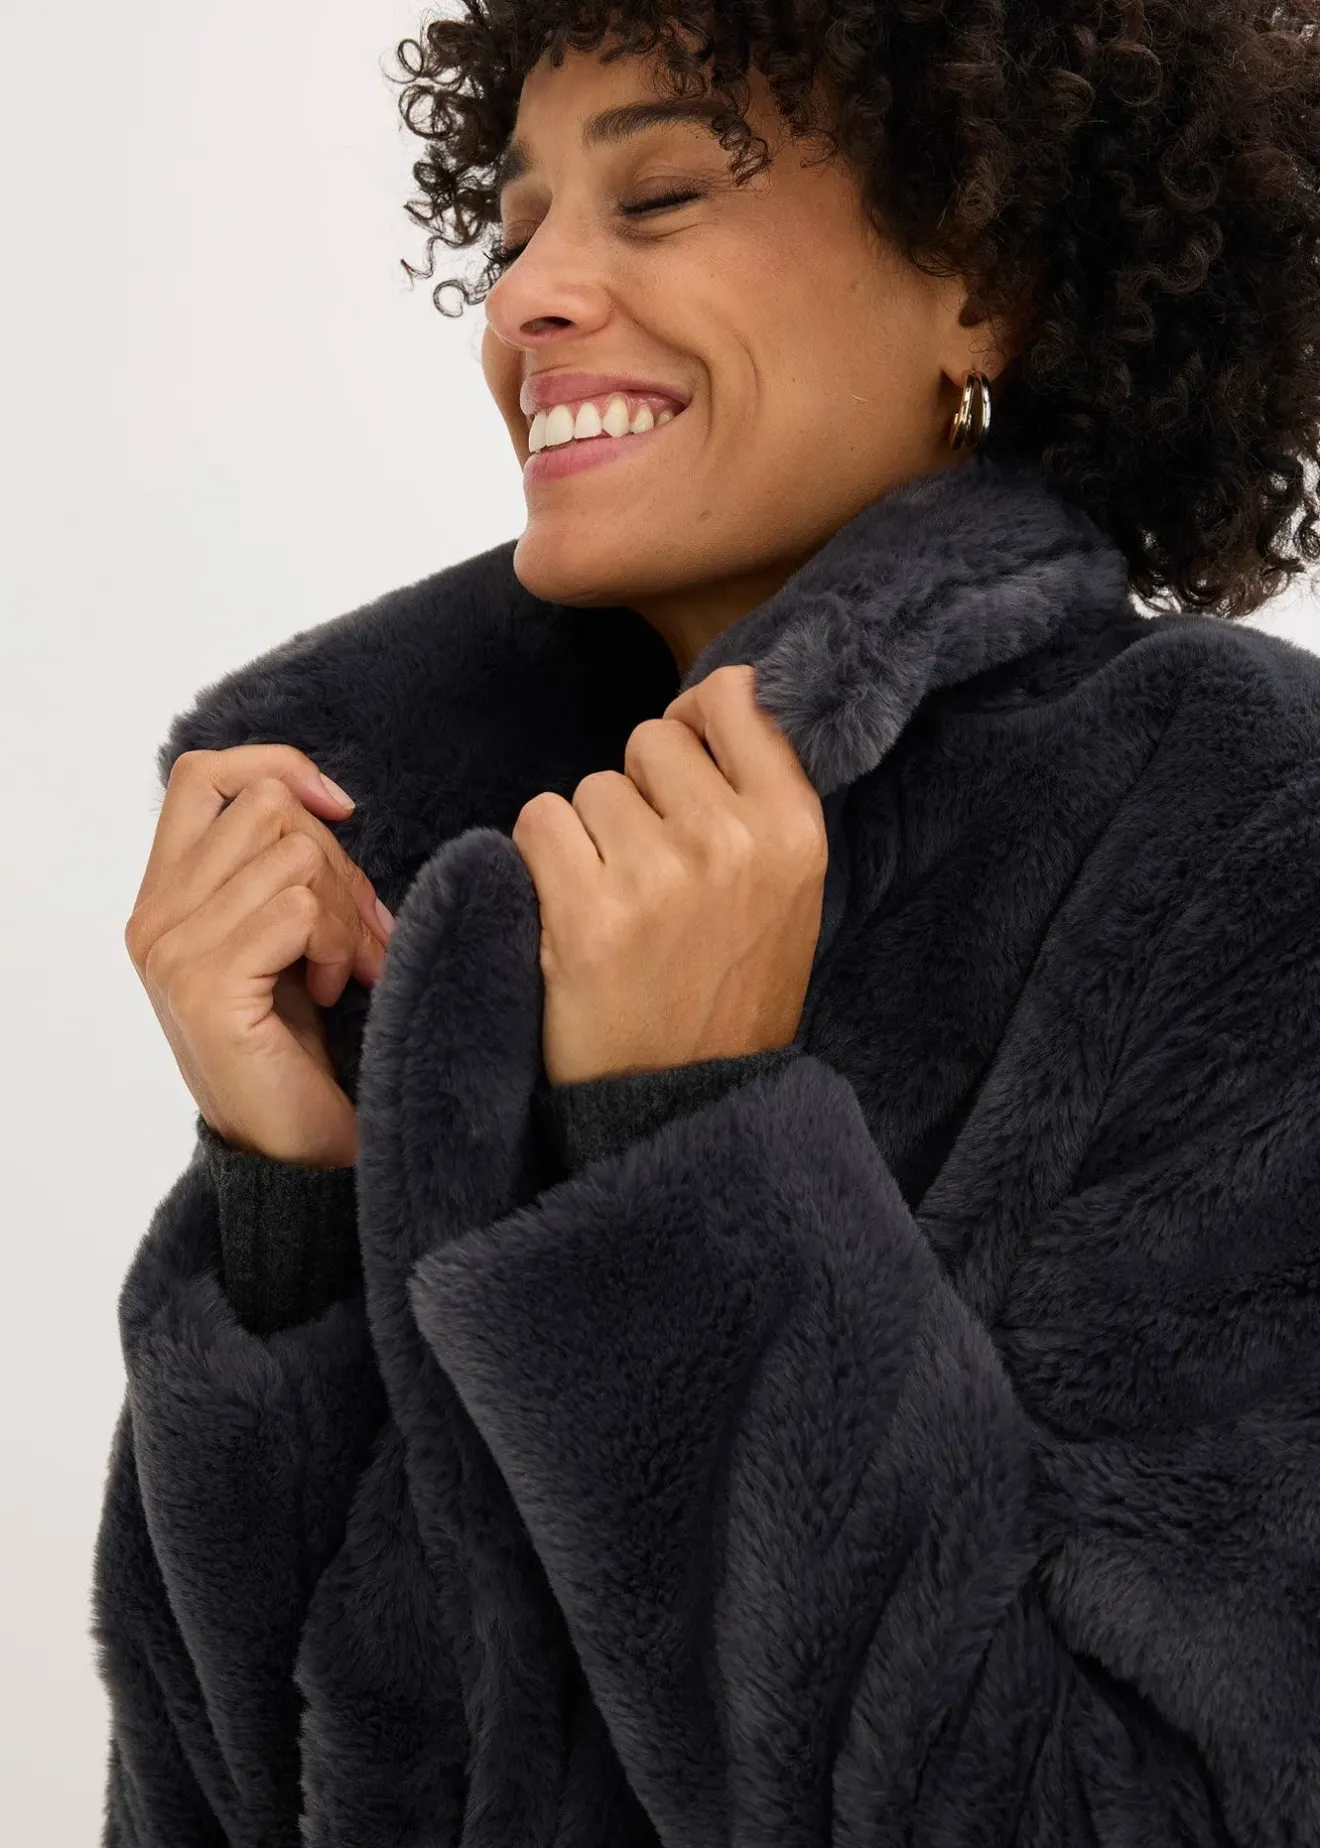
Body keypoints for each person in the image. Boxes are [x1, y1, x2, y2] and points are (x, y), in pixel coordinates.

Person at [92, 4, 1320, 1844]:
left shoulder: (1231, 825)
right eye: (512, 230)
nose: (527, 302)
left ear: (984, 281)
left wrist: (694, 1151)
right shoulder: (425, 898)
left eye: (659, 195)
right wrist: (292, 1207)